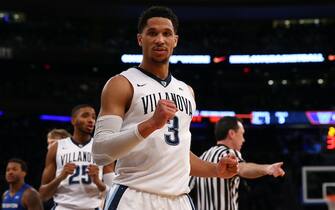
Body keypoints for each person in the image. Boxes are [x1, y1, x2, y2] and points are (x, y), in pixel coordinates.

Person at [92, 6, 238, 210]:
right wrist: (151, 124)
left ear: (175, 40)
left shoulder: (186, 91)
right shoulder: (121, 84)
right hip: (134, 196)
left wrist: (216, 170)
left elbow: (178, 154)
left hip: (179, 200)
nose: (160, 39)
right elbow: (100, 151)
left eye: (166, 34)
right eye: (152, 33)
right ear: (140, 39)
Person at [189, 116, 286, 210]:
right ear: (231, 133)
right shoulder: (229, 153)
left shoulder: (202, 157)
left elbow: (187, 187)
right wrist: (267, 169)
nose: (243, 140)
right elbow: (242, 168)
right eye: (242, 134)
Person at [39, 104, 114, 210]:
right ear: (73, 120)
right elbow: (43, 195)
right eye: (85, 116)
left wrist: (97, 181)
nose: (91, 120)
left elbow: (112, 194)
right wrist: (61, 176)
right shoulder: (56, 147)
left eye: (93, 117)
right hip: (63, 207)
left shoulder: (102, 148)